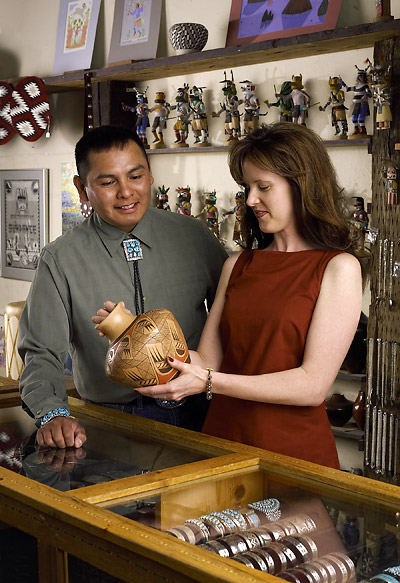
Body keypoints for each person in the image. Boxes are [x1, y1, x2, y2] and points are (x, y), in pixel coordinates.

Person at [127, 122, 367, 469]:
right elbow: (207, 359)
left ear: (302, 186)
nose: (251, 199)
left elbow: (312, 386)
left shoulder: (338, 268)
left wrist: (209, 382)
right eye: (247, 187)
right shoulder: (238, 265)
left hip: (292, 453)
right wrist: (133, 337)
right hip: (222, 442)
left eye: (263, 187)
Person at [18, 125, 228, 449]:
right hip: (113, 423)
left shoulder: (195, 236)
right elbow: (42, 352)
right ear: (82, 188)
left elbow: (233, 314)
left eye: (135, 175)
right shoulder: (59, 260)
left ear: (150, 174)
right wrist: (52, 413)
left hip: (204, 413)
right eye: (108, 182)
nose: (126, 192)